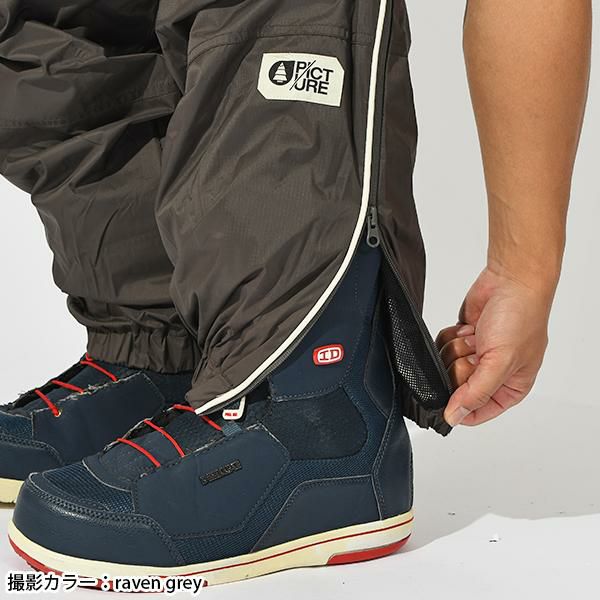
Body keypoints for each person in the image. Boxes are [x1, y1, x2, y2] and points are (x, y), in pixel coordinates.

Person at [0, 0, 591, 587]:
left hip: (307, 379)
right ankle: (161, 351)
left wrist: (523, 270)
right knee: (49, 23)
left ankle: (310, 409)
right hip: (172, 325)